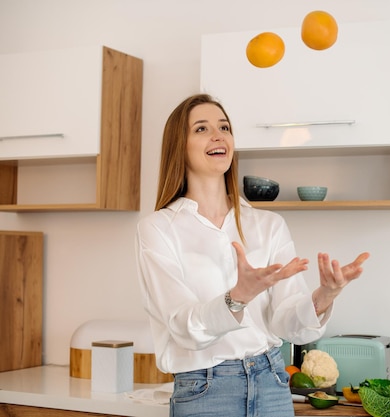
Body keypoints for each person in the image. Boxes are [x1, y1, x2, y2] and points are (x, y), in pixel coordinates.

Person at [135, 93, 369, 417]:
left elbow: (286, 323)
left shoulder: (269, 225)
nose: (218, 135)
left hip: (271, 383)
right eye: (202, 129)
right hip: (205, 391)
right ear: (179, 146)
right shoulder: (158, 229)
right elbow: (181, 324)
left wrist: (325, 296)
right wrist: (239, 296)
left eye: (224, 127)